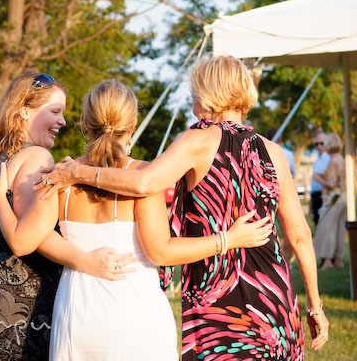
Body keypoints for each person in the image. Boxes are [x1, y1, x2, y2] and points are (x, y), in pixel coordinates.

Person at [38, 56, 328, 359]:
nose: (191, 98)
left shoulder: (198, 141)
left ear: (209, 94)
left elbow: (143, 183)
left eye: (194, 91)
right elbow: (300, 235)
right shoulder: (275, 152)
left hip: (222, 299)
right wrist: (315, 305)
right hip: (275, 294)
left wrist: (77, 172)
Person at [0, 80, 271, 360]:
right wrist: (227, 240)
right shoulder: (142, 176)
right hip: (138, 318)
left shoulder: (63, 176)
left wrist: (79, 258)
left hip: (77, 315)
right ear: (132, 125)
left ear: (85, 123)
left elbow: (32, 238)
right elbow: (160, 251)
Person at [0, 71, 136, 361]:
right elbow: (25, 241)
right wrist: (87, 261)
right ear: (23, 111)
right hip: (9, 300)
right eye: (55, 111)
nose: (62, 121)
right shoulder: (36, 158)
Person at [312, 133, 346, 271]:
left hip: (333, 198)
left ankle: (327, 261)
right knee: (339, 230)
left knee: (328, 229)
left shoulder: (333, 160)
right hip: (343, 197)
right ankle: (338, 259)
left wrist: (317, 178)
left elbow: (331, 183)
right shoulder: (341, 159)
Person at [310, 131, 330, 225]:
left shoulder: (328, 158)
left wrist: (317, 177)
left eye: (322, 143)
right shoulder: (318, 159)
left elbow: (326, 177)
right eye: (316, 144)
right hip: (316, 196)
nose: (319, 146)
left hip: (323, 195)